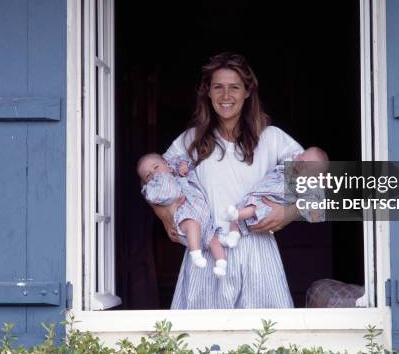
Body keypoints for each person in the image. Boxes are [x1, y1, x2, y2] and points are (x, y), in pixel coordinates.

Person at [151, 52, 303, 309]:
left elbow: (318, 182)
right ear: (207, 92)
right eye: (218, 87)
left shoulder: (272, 138)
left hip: (258, 250)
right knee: (201, 343)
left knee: (266, 340)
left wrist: (289, 212)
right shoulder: (190, 140)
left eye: (234, 87)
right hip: (208, 250)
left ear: (247, 92)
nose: (225, 96)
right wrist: (166, 215)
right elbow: (155, 181)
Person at [138, 152, 229, 277]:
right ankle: (196, 254)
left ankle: (221, 265)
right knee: (193, 225)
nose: (154, 174)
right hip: (185, 216)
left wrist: (182, 165)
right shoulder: (155, 189)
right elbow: (157, 196)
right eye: (148, 175)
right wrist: (159, 181)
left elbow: (185, 159)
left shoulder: (178, 172)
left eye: (156, 167)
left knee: (213, 241)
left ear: (168, 165)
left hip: (205, 217)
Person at [224, 146, 329, 231]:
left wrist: (290, 212)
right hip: (258, 192)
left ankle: (237, 215)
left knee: (257, 207)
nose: (299, 165)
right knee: (244, 207)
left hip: (269, 203)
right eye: (301, 159)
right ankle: (234, 231)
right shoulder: (289, 162)